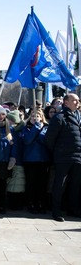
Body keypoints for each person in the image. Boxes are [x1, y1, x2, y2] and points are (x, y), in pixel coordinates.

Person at [45, 93, 81, 222]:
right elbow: (49, 139)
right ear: (66, 102)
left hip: (78, 158)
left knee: (75, 185)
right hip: (63, 158)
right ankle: (56, 211)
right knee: (60, 185)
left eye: (78, 100)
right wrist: (58, 152)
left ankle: (73, 209)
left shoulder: (78, 116)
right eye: (75, 100)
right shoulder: (59, 118)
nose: (78, 102)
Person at [21, 109, 50, 214]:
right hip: (30, 160)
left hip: (42, 160)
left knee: (41, 184)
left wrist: (39, 130)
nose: (35, 118)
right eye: (33, 116)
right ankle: (31, 203)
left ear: (41, 117)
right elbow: (27, 141)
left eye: (37, 116)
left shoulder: (46, 127)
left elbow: (45, 140)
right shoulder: (26, 128)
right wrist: (35, 129)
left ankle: (41, 203)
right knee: (31, 183)